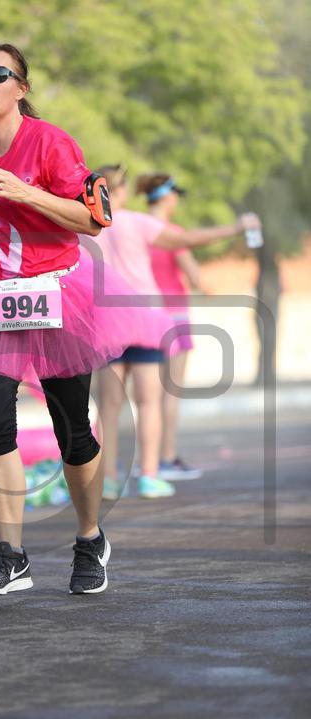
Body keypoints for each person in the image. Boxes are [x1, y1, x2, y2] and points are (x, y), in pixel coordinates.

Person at [0, 42, 172, 595]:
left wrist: (26, 191)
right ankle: (11, 557)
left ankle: (89, 538)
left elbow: (93, 219)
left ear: (21, 88)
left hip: (57, 292)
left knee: (73, 430)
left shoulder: (51, 142)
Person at [93, 165, 261, 500]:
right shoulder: (136, 222)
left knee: (108, 407)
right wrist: (236, 227)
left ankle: (108, 479)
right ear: (119, 191)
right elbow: (185, 240)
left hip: (107, 323)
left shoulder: (87, 227)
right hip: (144, 319)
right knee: (149, 402)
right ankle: (149, 475)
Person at [139, 172, 204, 480]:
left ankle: (146, 462)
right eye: (176, 195)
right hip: (174, 317)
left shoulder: (137, 229)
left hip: (144, 317)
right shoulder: (172, 233)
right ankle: (165, 459)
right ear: (167, 196)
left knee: (145, 397)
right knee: (170, 393)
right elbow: (195, 277)